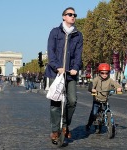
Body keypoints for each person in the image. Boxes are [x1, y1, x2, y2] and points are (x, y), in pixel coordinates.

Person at [45, 7, 83, 142]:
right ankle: (55, 131)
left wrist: (76, 67)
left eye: (74, 15)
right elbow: (51, 51)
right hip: (56, 73)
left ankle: (65, 126)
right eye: (70, 14)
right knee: (55, 102)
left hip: (70, 74)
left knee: (72, 100)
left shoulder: (78, 35)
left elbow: (78, 54)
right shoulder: (55, 32)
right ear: (63, 17)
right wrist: (57, 67)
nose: (73, 16)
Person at [85, 63, 122, 132]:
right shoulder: (96, 79)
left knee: (106, 110)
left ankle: (109, 122)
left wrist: (119, 88)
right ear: (99, 72)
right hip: (97, 99)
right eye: (102, 73)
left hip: (105, 99)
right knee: (94, 113)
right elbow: (91, 86)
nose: (104, 75)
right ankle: (89, 124)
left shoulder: (110, 80)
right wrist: (92, 89)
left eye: (106, 73)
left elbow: (116, 85)